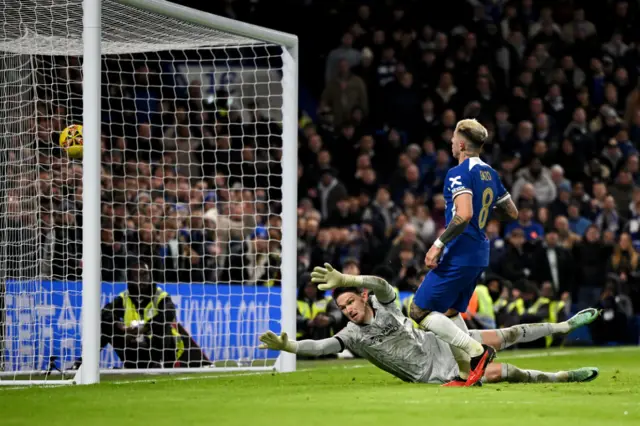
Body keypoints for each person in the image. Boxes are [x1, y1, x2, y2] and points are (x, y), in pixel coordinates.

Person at [259, 265, 600, 386]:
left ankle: (563, 326)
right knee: (503, 372)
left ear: (362, 297)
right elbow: (319, 347)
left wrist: (347, 276)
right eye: (342, 307)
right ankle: (562, 377)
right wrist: (288, 346)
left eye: (350, 301)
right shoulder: (351, 336)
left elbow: (381, 283)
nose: (348, 310)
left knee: (505, 335)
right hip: (433, 372)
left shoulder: (385, 304)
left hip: (440, 341)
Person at [408, 119, 519, 386]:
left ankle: (477, 353)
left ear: (460, 144)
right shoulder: (490, 173)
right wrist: (486, 211)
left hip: (459, 252)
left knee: (418, 311)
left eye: (453, 138)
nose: (450, 142)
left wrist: (438, 244)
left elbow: (464, 215)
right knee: (449, 312)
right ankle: (465, 374)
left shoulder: (458, 173)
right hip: (480, 251)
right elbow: (512, 213)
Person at [99, 258, 209, 368]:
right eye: (137, 275)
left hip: (160, 347)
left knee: (162, 324)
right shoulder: (124, 298)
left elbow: (169, 313)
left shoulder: (160, 296)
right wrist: (121, 327)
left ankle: (160, 364)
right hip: (133, 343)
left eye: (145, 274)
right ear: (130, 279)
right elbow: (105, 313)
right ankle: (86, 362)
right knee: (105, 325)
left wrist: (145, 328)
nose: (143, 279)